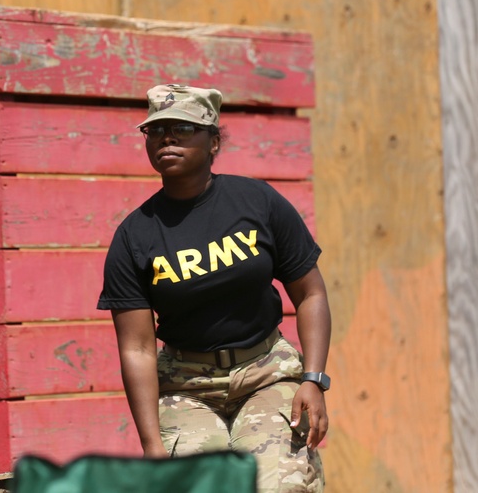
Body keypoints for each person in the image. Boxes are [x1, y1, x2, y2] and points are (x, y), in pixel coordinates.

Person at [97, 84, 331, 493]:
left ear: (214, 141)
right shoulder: (134, 236)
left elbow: (311, 294)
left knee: (280, 486)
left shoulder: (257, 202)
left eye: (183, 128)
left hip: (267, 374)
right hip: (186, 388)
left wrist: (313, 379)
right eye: (156, 130)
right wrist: (152, 447)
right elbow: (136, 348)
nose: (167, 138)